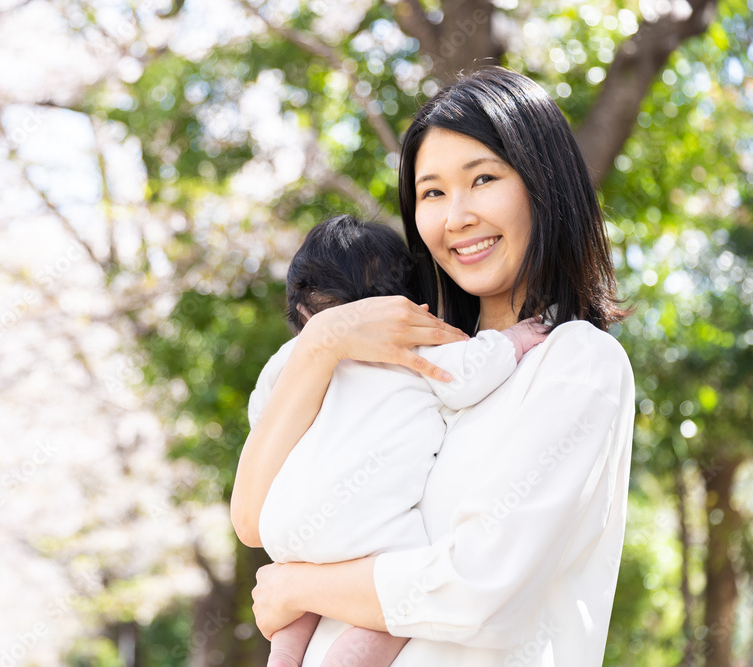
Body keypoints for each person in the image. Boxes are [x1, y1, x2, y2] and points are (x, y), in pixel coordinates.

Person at [231, 66, 634, 667]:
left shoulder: (577, 361)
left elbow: (479, 589)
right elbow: (254, 521)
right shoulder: (403, 372)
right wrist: (324, 342)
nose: (457, 216)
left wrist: (298, 586)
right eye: (432, 192)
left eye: (484, 179)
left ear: (543, 185)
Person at [250, 214, 547, 667]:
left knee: (299, 599)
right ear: (410, 303)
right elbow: (468, 375)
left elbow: (264, 416)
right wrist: (517, 336)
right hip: (366, 528)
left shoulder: (290, 360)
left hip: (284, 533)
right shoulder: (416, 345)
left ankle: (284, 657)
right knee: (399, 587)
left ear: (303, 313)